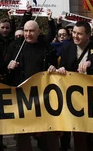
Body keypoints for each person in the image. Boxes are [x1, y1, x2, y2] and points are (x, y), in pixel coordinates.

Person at [50, 21, 93, 151]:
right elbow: (64, 67)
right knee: (79, 135)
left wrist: (92, 65)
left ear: (88, 35)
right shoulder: (66, 48)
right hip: (76, 97)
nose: (75, 36)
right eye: (74, 33)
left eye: (80, 34)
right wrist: (61, 70)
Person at [5, 20, 58, 151]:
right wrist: (9, 66)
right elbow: (4, 68)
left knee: (46, 132)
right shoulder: (16, 46)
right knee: (22, 133)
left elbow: (54, 66)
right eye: (26, 31)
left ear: (39, 32)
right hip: (21, 95)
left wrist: (53, 68)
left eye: (32, 31)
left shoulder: (47, 47)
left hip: (42, 95)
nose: (28, 34)